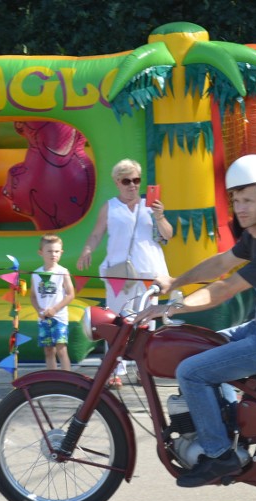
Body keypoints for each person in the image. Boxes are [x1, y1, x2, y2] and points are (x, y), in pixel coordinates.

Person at [137, 154, 256, 488]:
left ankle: (220, 455)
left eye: (248, 199)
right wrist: (174, 281)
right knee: (205, 345)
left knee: (191, 371)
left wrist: (170, 309)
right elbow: (221, 264)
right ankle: (230, 429)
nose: (241, 207)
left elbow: (224, 289)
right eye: (236, 199)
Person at [77, 158, 173, 388]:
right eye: (126, 181)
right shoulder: (109, 207)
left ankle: (144, 368)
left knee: (147, 323)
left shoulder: (150, 206)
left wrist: (160, 216)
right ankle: (115, 369)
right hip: (119, 272)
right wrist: (87, 249)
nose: (132, 185)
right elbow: (97, 233)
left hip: (149, 271)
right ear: (117, 182)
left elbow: (168, 235)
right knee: (116, 321)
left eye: (136, 180)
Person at [31, 234, 76, 371]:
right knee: (48, 351)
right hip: (44, 318)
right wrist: (39, 310)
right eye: (49, 251)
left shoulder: (62, 272)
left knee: (61, 349)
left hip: (59, 318)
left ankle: (67, 377)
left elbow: (70, 294)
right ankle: (53, 377)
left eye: (56, 251)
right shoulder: (36, 273)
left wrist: (55, 309)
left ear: (61, 252)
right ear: (41, 253)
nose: (53, 254)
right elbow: (33, 295)